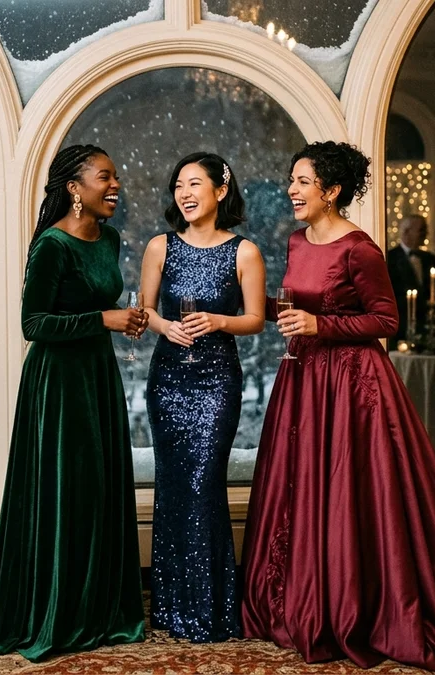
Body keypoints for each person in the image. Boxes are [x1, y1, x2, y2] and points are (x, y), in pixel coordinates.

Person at [241, 141, 435, 670]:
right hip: (304, 381)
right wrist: (263, 304)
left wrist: (322, 325)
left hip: (352, 387)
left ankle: (357, 604)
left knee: (354, 491)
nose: (292, 190)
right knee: (304, 486)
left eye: (302, 181)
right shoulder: (298, 242)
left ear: (332, 190)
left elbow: (388, 322)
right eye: (292, 180)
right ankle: (306, 596)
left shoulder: (359, 249)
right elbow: (299, 303)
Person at [0, 145, 147, 661]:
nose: (116, 184)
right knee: (66, 490)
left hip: (98, 377)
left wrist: (121, 318)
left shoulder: (111, 239)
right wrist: (103, 320)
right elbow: (33, 326)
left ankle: (96, 607)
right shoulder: (52, 247)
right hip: (58, 383)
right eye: (106, 176)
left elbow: (101, 302)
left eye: (117, 175)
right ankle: (57, 609)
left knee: (99, 488)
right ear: (75, 188)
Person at [140, 153, 266, 642]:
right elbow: (144, 310)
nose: (184, 193)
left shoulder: (245, 252)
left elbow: (255, 319)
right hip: (168, 380)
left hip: (217, 382)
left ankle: (210, 607)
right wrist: (164, 325)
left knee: (204, 484)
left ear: (220, 190)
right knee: (172, 486)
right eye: (177, 186)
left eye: (194, 184)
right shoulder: (159, 247)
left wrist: (217, 321)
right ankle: (172, 607)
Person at [386, 214, 435, 337]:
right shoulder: (390, 258)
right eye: (421, 230)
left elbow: (434, 291)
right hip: (401, 325)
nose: (426, 233)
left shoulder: (429, 258)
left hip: (426, 326)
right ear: (407, 232)